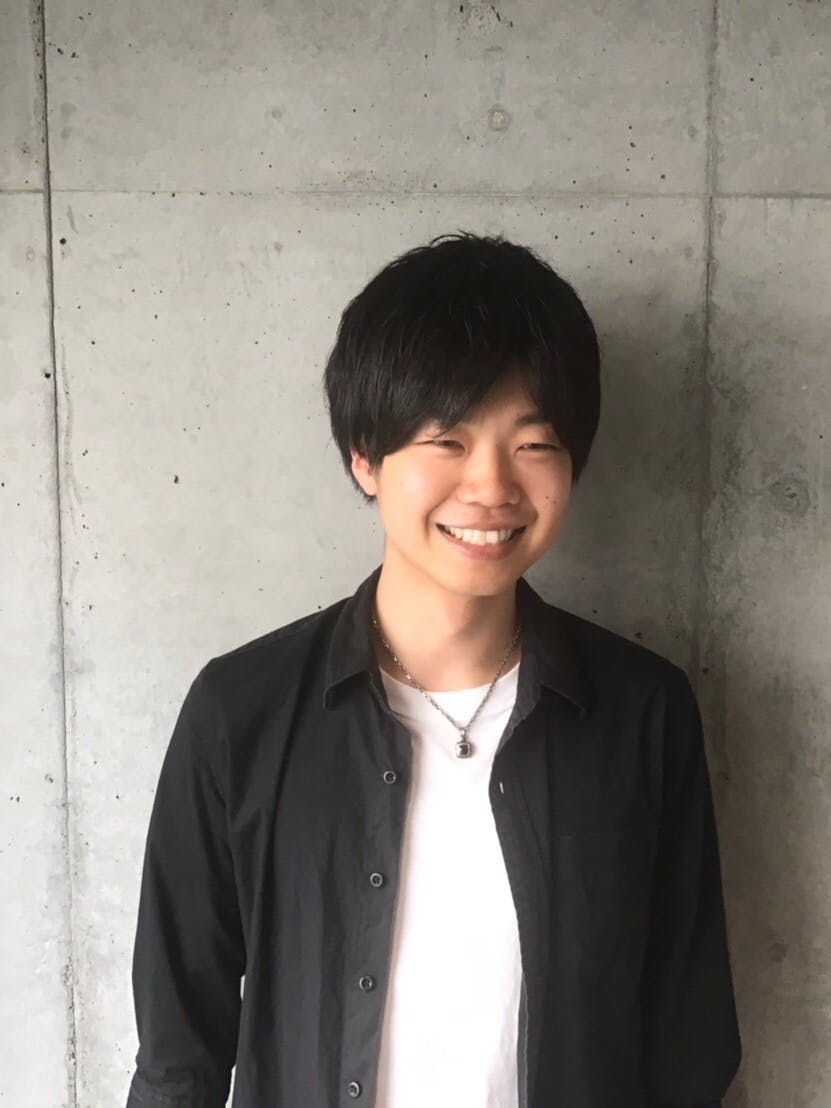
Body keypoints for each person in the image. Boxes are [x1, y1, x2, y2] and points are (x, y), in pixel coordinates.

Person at [125, 232, 741, 1108]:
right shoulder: (243, 710)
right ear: (364, 457)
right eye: (445, 439)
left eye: (533, 443)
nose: (490, 487)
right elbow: (178, 1054)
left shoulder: (640, 709)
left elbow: (689, 1038)